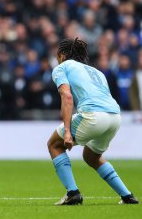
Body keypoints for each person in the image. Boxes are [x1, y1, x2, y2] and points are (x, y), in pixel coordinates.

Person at [47, 37, 139, 205]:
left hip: (93, 115)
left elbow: (67, 97)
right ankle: (127, 196)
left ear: (61, 55)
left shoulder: (62, 67)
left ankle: (73, 193)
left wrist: (67, 131)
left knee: (54, 144)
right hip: (115, 117)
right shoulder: (97, 71)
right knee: (91, 156)